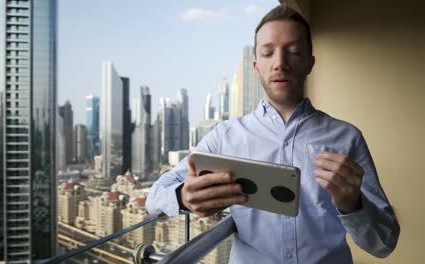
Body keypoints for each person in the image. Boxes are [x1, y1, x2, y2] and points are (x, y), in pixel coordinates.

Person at [146, 5, 400, 263]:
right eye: (268, 53)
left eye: (293, 51)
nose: (280, 63)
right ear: (256, 66)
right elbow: (154, 196)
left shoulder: (347, 138)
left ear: (310, 63)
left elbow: (384, 244)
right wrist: (183, 197)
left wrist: (354, 205)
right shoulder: (225, 136)